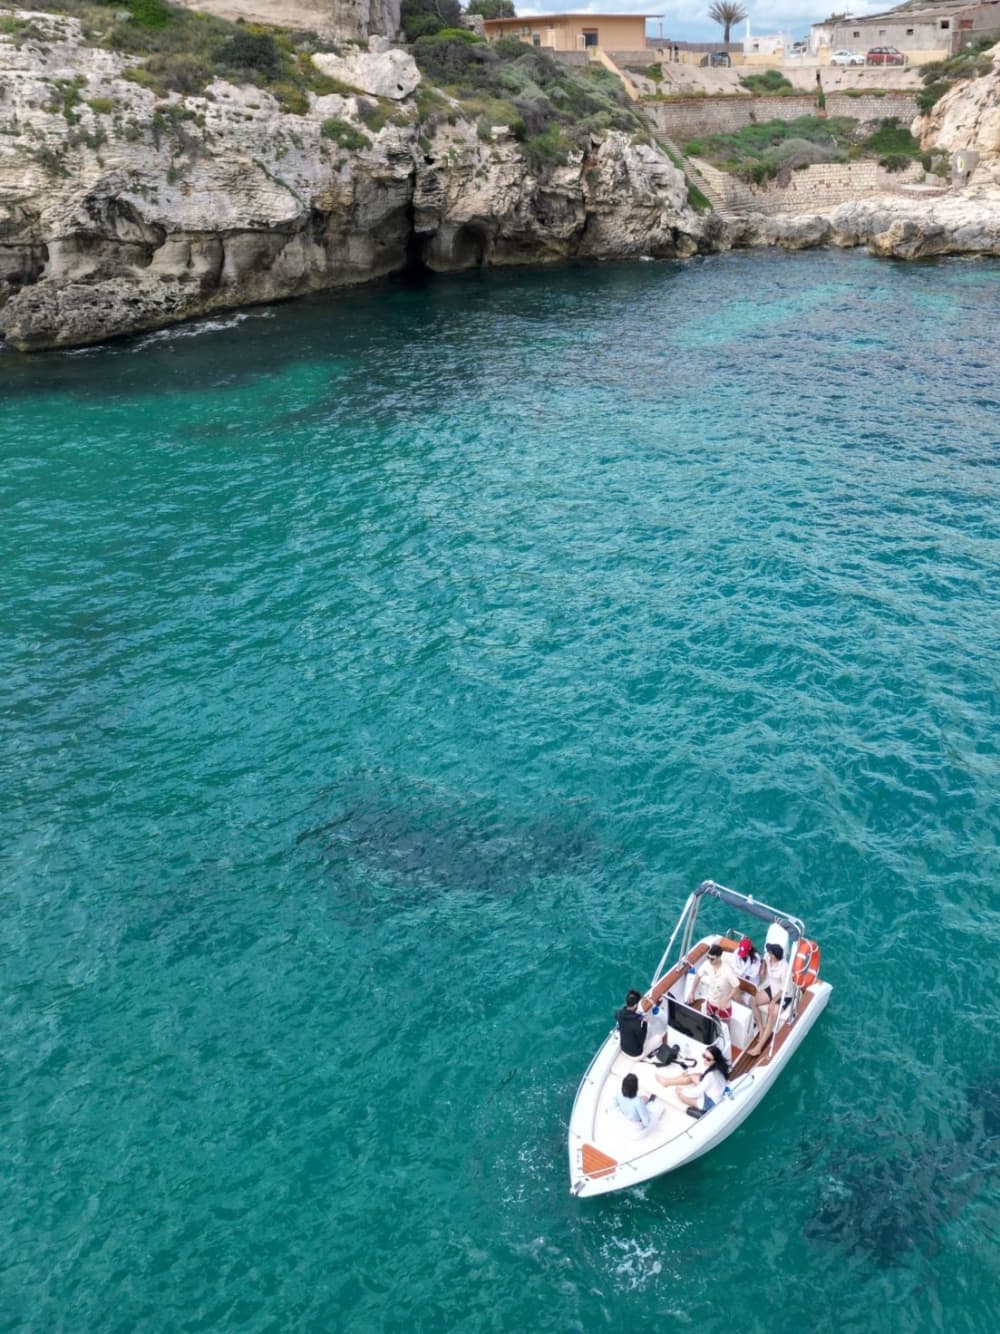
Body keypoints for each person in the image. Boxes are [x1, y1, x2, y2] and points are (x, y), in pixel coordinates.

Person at [656, 1044, 730, 1117]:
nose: (704, 1060)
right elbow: (702, 1071)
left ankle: (667, 1082)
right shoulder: (720, 1068)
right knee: (692, 1076)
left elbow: (695, 1093)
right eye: (704, 1056)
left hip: (711, 1103)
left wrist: (681, 1090)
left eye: (708, 1059)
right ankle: (667, 1082)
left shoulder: (711, 1076)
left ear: (715, 1061)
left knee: (681, 1096)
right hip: (716, 1093)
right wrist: (690, 1072)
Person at [749, 942, 790, 1056]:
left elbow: (784, 989)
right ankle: (761, 1029)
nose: (768, 953)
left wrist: (773, 1002)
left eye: (770, 952)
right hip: (772, 989)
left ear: (774, 955)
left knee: (772, 1013)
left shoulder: (784, 968)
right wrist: (763, 966)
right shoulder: (768, 957)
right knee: (752, 1000)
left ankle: (758, 1048)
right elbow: (763, 967)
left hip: (784, 994)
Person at [688, 944, 739, 1027]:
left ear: (719, 957)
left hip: (724, 1005)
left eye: (712, 959)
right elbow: (698, 976)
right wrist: (692, 992)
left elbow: (736, 986)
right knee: (709, 1022)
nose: (709, 961)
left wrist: (725, 1000)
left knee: (725, 1026)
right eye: (708, 957)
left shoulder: (727, 971)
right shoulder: (707, 965)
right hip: (711, 1001)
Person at [615, 989, 648, 1057]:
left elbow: (617, 1015)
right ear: (635, 1005)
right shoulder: (637, 1022)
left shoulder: (619, 1013)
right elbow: (642, 1040)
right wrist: (645, 1023)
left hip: (623, 1047)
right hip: (635, 1052)